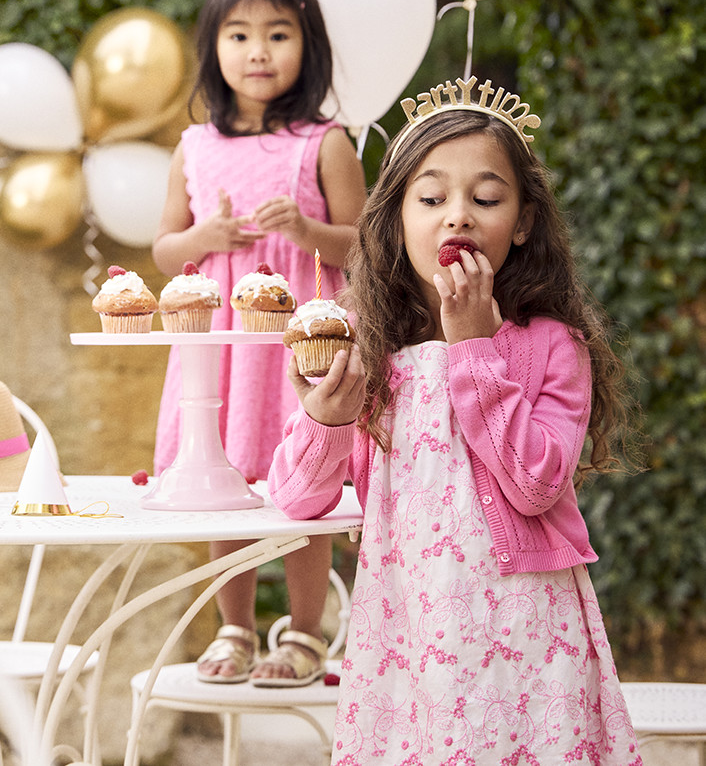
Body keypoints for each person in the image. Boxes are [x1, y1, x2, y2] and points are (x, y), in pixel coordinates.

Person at [268, 77, 642, 762]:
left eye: (487, 199)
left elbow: (536, 485)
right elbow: (294, 499)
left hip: (526, 635)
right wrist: (327, 420)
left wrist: (473, 347)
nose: (458, 217)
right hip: (407, 635)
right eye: (432, 198)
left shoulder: (552, 345)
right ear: (395, 217)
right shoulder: (365, 344)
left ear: (523, 222)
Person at [152, 0, 367, 686]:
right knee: (225, 476)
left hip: (299, 344)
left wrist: (306, 231)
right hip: (220, 345)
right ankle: (234, 628)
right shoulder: (195, 146)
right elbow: (164, 249)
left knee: (305, 481)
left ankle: (305, 633)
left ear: (308, 44)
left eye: (278, 34)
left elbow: (366, 245)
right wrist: (204, 239)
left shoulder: (324, 143)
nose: (258, 51)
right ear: (213, 45)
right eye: (239, 35)